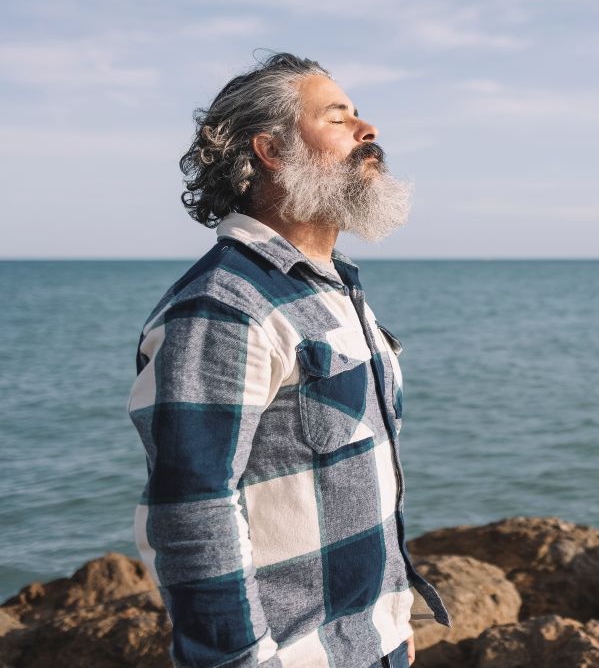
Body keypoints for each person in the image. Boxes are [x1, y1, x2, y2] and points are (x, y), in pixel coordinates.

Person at [127, 52, 450, 668]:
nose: (367, 130)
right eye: (338, 118)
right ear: (271, 151)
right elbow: (190, 513)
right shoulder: (223, 307)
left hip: (372, 648)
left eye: (360, 115)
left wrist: (390, 620)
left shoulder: (329, 288)